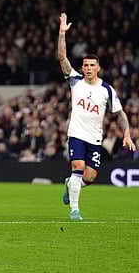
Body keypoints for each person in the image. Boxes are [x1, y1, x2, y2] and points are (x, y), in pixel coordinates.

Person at [58, 13, 136, 220]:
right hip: (76, 134)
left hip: (95, 138)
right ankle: (75, 210)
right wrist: (62, 34)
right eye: (85, 65)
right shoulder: (75, 81)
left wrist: (126, 134)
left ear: (98, 68)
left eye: (92, 65)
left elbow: (120, 114)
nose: (88, 69)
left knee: (89, 177)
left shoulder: (107, 90)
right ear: (82, 68)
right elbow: (62, 59)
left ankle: (70, 185)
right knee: (78, 167)